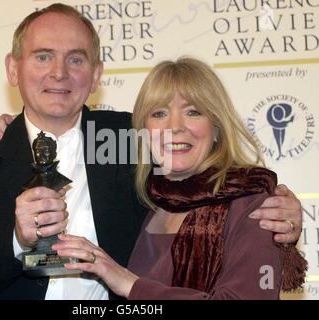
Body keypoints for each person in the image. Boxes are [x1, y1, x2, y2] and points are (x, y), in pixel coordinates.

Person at [0, 3, 301, 300]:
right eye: (43, 57)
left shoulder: (135, 138)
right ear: (14, 69)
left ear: (95, 76)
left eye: (76, 59)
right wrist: (16, 239)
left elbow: (208, 178)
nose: (59, 73)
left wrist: (277, 207)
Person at [49, 57, 307, 299]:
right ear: (143, 132)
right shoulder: (143, 200)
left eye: (193, 112)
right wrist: (14, 128)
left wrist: (130, 284)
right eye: (159, 113)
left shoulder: (252, 204)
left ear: (216, 127)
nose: (175, 126)